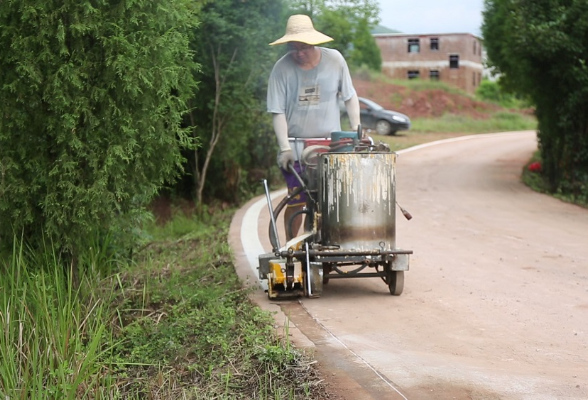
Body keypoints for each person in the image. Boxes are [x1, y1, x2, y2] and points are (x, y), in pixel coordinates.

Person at [267, 14, 360, 241]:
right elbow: (277, 111)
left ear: (314, 42)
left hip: (332, 146)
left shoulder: (335, 60)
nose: (299, 52)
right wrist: (284, 148)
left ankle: (335, 242)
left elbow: (349, 96)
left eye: (304, 47)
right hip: (298, 147)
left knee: (335, 199)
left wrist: (357, 129)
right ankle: (292, 245)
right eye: (294, 47)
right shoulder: (281, 69)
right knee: (296, 199)